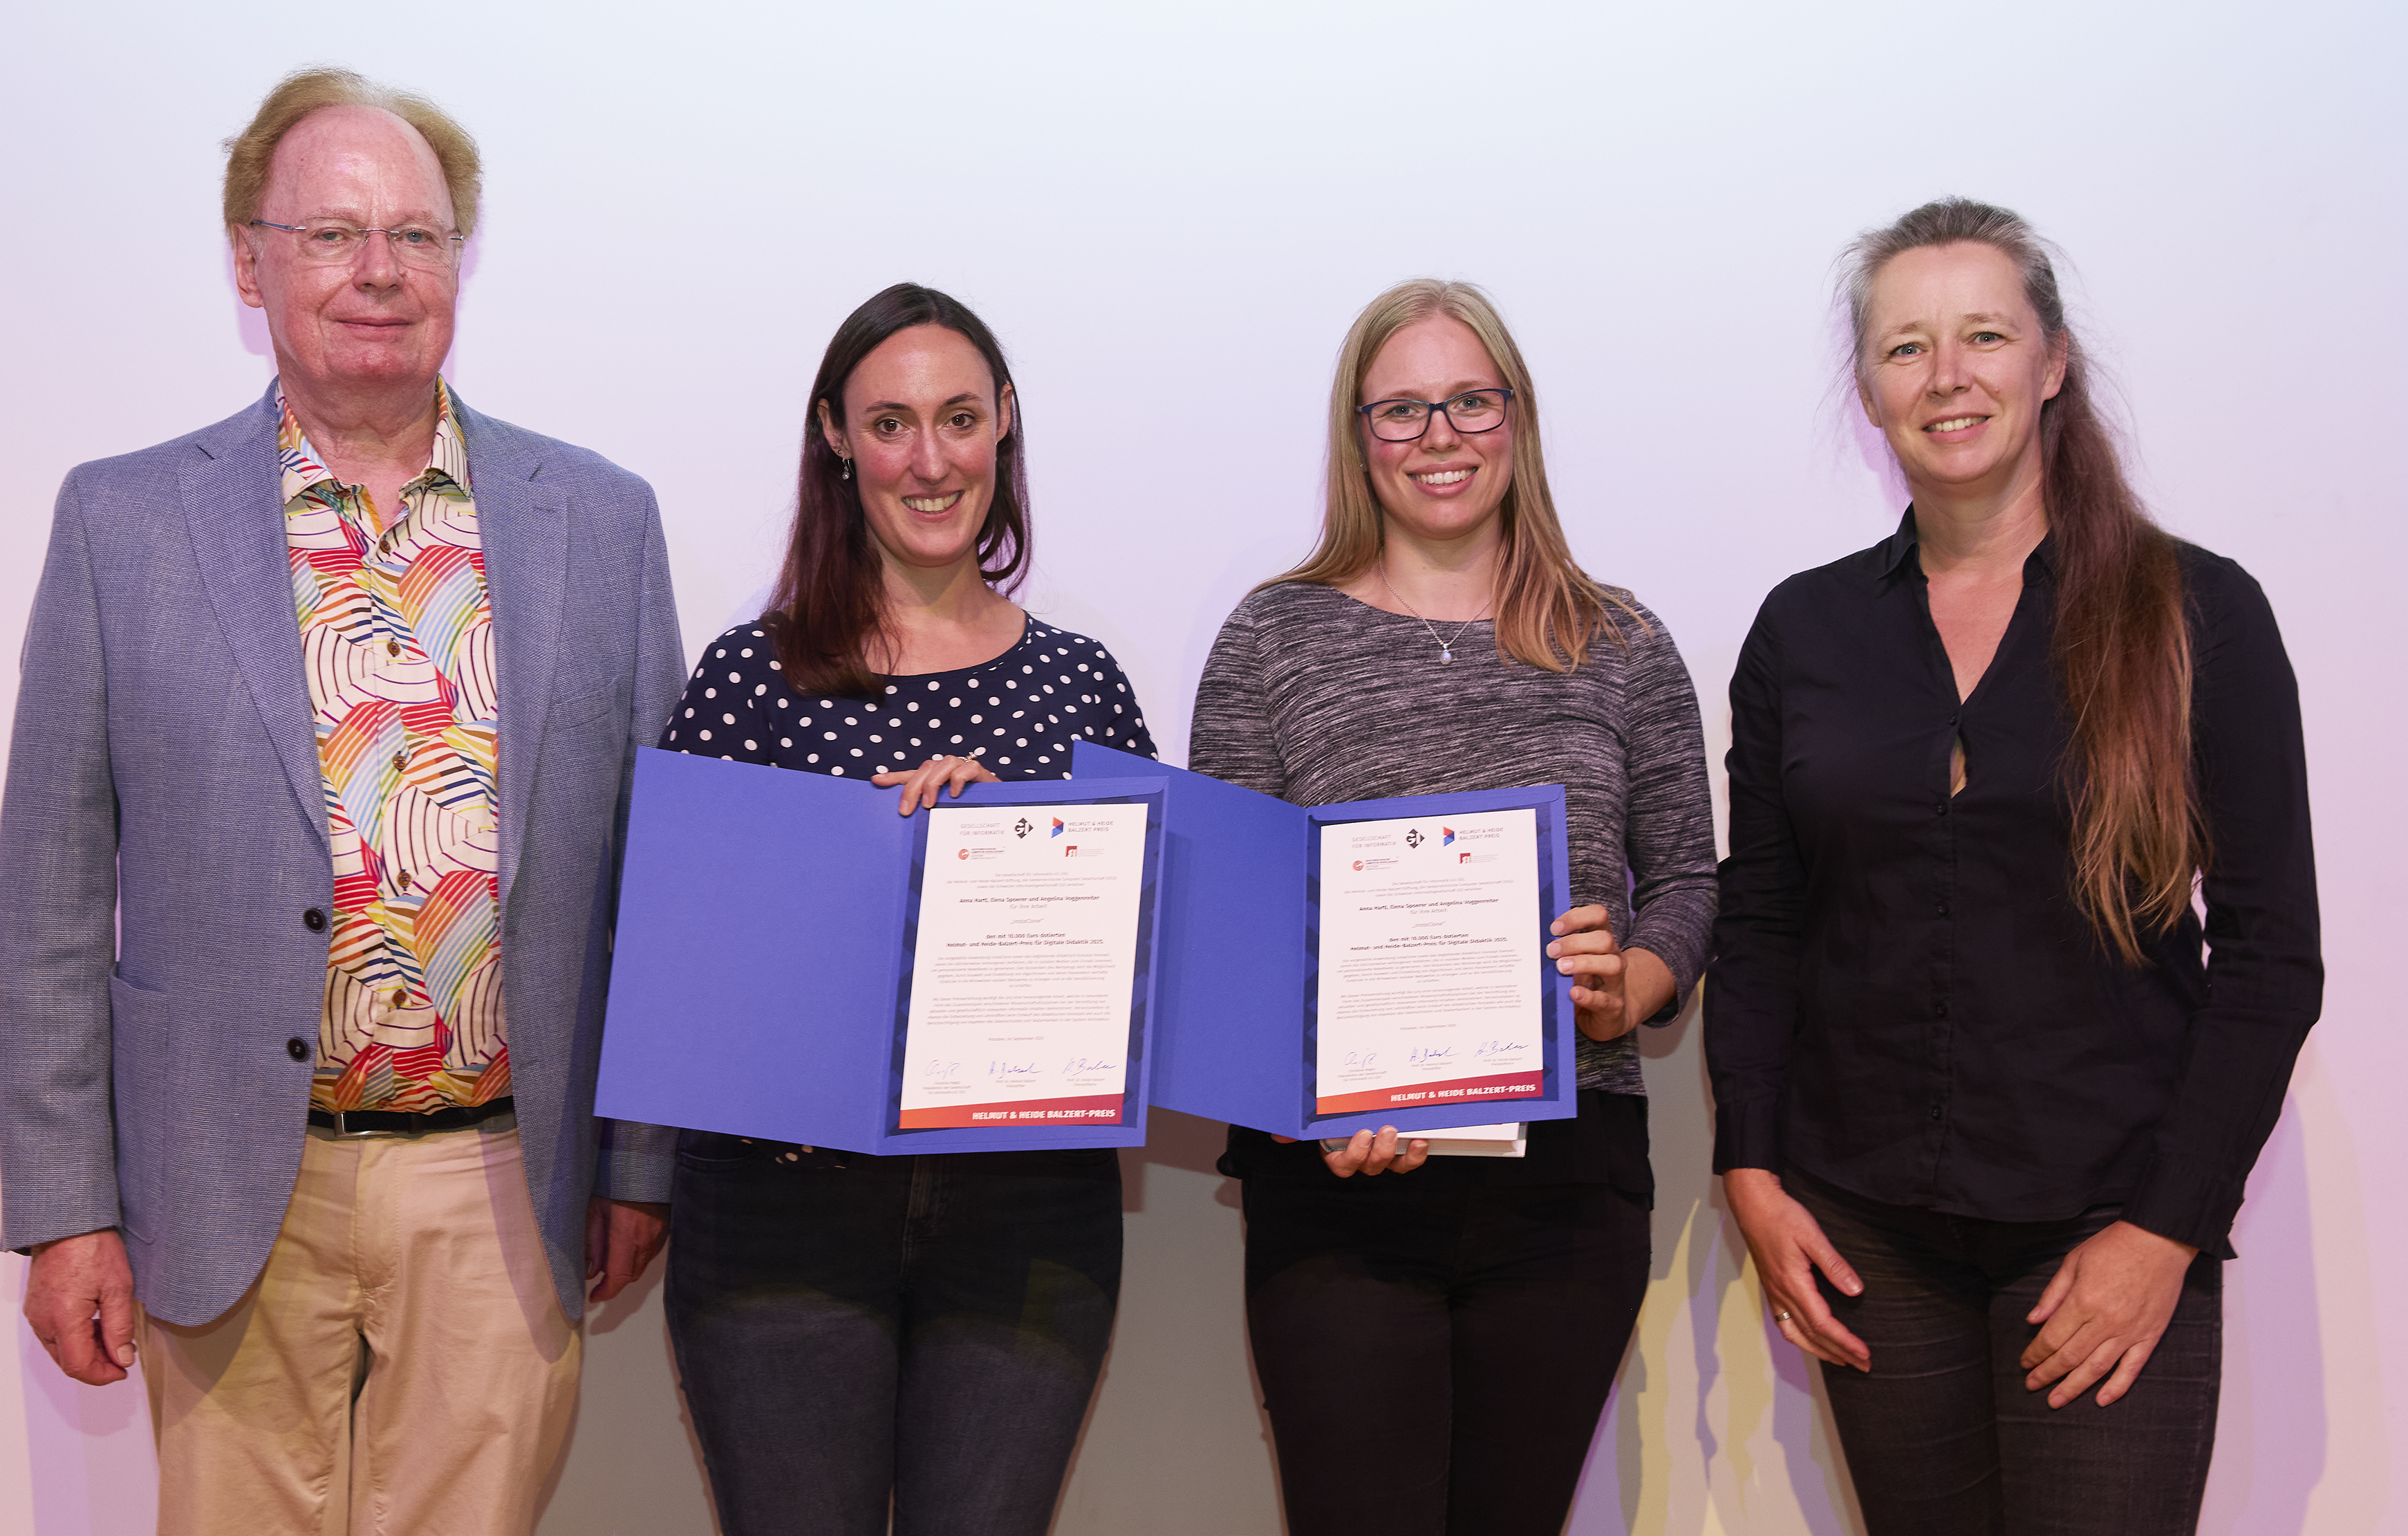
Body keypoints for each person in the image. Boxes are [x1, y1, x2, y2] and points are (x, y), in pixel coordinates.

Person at [0, 68, 684, 1535]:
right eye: (333, 234)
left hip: (502, 1182)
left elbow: (661, 885)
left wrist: (639, 1159)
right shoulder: (124, 523)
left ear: (458, 262)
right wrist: (66, 1210)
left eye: (417, 235)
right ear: (250, 263)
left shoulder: (600, 520)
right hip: (230, 1182)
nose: (381, 271)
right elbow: (45, 907)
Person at [1707, 198, 2322, 1535]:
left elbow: (2272, 958)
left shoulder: (2198, 612)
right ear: (1868, 391)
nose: (1948, 376)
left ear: (2052, 362)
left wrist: (2166, 1228)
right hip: (1866, 1231)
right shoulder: (1804, 630)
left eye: (1984, 335)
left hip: (2106, 1224)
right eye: (1906, 346)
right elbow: (1760, 921)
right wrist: (1749, 1165)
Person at [1188, 279, 1717, 1536]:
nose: (1441, 435)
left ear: (1516, 417)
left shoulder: (1621, 638)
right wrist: (1311, 1102)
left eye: (1472, 400)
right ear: (1357, 432)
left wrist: (1629, 989)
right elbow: (1229, 926)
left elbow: (1690, 881)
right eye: (1404, 408)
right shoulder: (1272, 636)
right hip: (1339, 1187)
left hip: (1566, 1185)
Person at [658, 281, 1155, 1536]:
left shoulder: (1084, 687)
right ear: (836, 436)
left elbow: (1156, 967)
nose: (930, 461)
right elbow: (677, 965)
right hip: (779, 1212)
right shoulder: (749, 678)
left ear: (1005, 424)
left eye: (959, 419)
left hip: (1027, 1214)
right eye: (890, 424)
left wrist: (1017, 845)